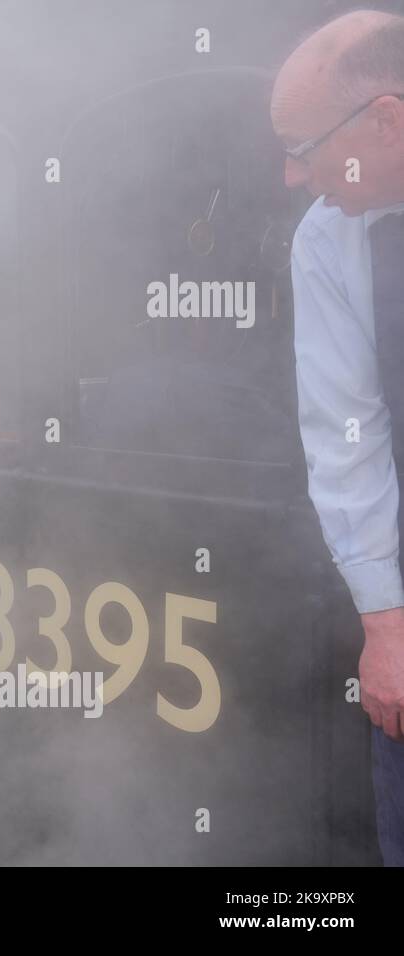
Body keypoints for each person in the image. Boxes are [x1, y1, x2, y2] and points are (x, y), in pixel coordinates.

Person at [273, 8, 404, 865]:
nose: (291, 174)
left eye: (305, 144)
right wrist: (387, 626)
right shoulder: (328, 236)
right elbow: (345, 433)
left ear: (388, 119)